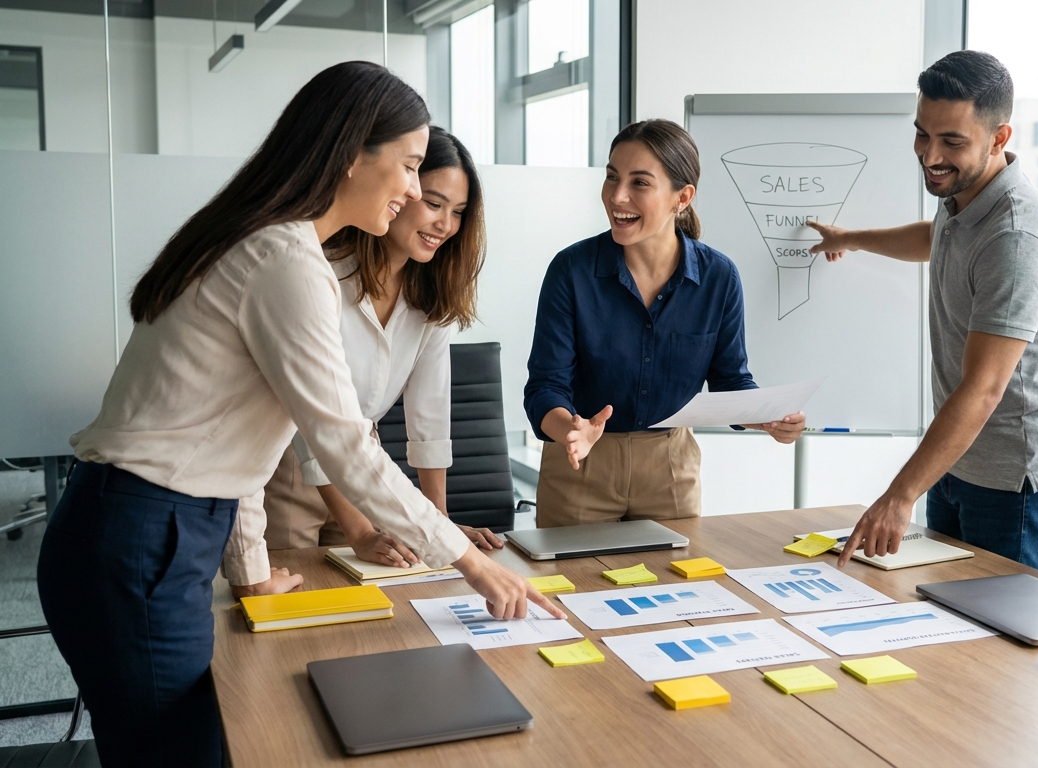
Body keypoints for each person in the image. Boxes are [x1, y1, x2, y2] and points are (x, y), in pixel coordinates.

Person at [35, 62, 562, 768]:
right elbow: (346, 445)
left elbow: (249, 434)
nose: (412, 190)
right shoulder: (286, 260)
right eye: (408, 167)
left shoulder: (268, 240)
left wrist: (251, 571)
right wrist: (471, 564)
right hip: (143, 535)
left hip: (149, 530)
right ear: (351, 156)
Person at [812, 51, 1038, 572]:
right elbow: (940, 238)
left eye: (952, 141)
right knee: (942, 622)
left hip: (1010, 483)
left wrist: (898, 494)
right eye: (921, 135)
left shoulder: (1016, 239)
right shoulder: (964, 191)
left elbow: (984, 389)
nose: (930, 156)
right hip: (957, 461)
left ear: (999, 138)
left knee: (995, 646)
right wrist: (854, 238)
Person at [221, 128, 502, 584]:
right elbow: (316, 424)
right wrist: (359, 529)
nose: (445, 225)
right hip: (290, 463)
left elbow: (429, 417)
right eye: (433, 203)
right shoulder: (319, 271)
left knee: (366, 606)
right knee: (295, 611)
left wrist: (441, 525)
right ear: (401, 190)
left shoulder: (432, 292)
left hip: (364, 465)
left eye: (458, 213)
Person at [524, 119, 805, 527]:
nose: (617, 196)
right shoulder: (572, 270)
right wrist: (571, 429)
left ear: (682, 197)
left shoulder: (718, 277)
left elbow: (730, 381)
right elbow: (545, 386)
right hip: (579, 466)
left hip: (670, 468)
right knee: (571, 589)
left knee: (680, 587)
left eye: (640, 183)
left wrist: (767, 416)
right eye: (611, 177)